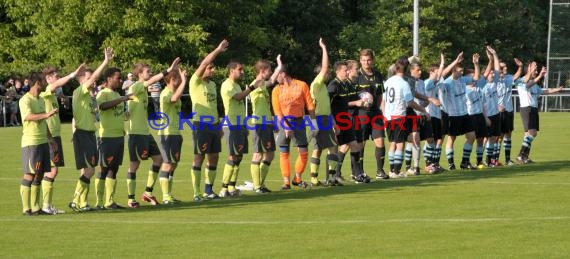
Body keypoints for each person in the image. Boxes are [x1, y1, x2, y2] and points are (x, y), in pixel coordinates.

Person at [128, 57, 180, 208]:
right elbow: (152, 81)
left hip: (145, 132)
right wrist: (169, 70)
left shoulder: (143, 90)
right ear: (139, 74)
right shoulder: (136, 86)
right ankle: (131, 199)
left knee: (159, 159)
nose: (150, 73)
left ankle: (148, 193)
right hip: (136, 133)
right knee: (134, 164)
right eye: (147, 71)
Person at [68, 47, 113, 212]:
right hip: (83, 134)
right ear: (81, 80)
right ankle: (75, 200)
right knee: (90, 169)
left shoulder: (89, 96)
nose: (92, 80)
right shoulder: (79, 91)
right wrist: (106, 62)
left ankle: (82, 203)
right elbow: (94, 76)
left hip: (89, 134)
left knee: (87, 170)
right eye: (88, 78)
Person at [39, 64, 85, 214]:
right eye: (56, 76)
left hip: (55, 135)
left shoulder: (52, 95)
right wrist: (72, 74)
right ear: (48, 79)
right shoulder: (46, 91)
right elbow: (56, 85)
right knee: (52, 171)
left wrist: (61, 97)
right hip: (50, 136)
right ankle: (46, 206)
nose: (58, 79)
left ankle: (46, 205)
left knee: (51, 170)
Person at [189, 40, 228, 202]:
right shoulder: (195, 81)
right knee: (199, 157)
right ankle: (196, 192)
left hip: (213, 125)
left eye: (213, 67)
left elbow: (213, 106)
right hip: (201, 124)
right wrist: (218, 49)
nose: (213, 69)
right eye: (210, 67)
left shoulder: (212, 84)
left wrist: (218, 124)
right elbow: (205, 61)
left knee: (214, 157)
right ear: (202, 68)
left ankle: (208, 190)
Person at [18, 72, 59, 215]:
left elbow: (44, 122)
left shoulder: (41, 100)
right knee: (29, 174)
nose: (44, 83)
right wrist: (47, 115)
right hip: (31, 142)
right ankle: (26, 208)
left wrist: (51, 139)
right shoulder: (25, 100)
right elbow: (28, 116)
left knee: (39, 174)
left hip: (42, 141)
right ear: (36, 83)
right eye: (42, 81)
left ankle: (36, 208)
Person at [382, 57, 429, 178]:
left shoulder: (387, 82)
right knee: (400, 144)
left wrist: (384, 115)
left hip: (388, 116)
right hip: (399, 115)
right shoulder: (404, 83)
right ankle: (396, 172)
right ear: (407, 69)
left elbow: (383, 100)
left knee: (392, 143)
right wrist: (423, 110)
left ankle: (392, 170)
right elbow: (410, 102)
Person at [272, 59, 315, 189]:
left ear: (283, 74)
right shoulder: (276, 90)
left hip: (299, 121)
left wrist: (314, 124)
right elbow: (277, 111)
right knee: (284, 152)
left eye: (277, 74)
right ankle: (286, 182)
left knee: (303, 151)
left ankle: (297, 178)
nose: (275, 77)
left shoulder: (302, 85)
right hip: (283, 122)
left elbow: (310, 105)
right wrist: (285, 127)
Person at [94, 67, 132, 209]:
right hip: (107, 138)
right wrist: (122, 99)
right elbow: (102, 107)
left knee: (114, 169)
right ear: (109, 79)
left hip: (118, 137)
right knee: (103, 169)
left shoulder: (117, 94)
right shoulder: (103, 93)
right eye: (118, 78)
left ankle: (110, 201)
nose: (120, 80)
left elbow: (121, 114)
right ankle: (99, 202)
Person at [308, 38, 341, 186]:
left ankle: (314, 178)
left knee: (318, 149)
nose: (328, 73)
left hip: (323, 118)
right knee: (333, 147)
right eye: (325, 72)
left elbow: (327, 107)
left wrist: (334, 122)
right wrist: (324, 48)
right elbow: (325, 66)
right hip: (321, 119)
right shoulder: (317, 83)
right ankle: (332, 177)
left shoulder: (321, 88)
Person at [438, 52, 480, 170]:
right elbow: (442, 74)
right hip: (453, 115)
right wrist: (455, 61)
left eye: (462, 71)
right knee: (451, 139)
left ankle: (464, 162)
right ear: (454, 71)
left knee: (472, 136)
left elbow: (476, 78)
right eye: (459, 71)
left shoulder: (463, 80)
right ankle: (451, 164)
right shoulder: (447, 83)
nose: (462, 73)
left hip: (464, 114)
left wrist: (476, 64)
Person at [516, 63, 564, 163]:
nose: (536, 71)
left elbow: (544, 91)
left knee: (529, 134)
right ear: (528, 69)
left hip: (533, 109)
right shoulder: (521, 81)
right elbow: (528, 85)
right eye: (535, 69)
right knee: (532, 133)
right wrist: (540, 75)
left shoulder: (535, 84)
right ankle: (521, 155)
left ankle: (525, 157)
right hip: (527, 109)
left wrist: (557, 89)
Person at [328, 60, 367, 183]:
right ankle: (331, 177)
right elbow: (326, 106)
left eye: (348, 70)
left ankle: (357, 175)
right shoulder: (333, 86)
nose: (347, 72)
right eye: (345, 70)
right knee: (333, 149)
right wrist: (333, 123)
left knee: (354, 145)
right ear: (338, 71)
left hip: (346, 120)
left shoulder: (345, 85)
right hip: (337, 121)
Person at [219, 60, 252, 197]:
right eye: (240, 69)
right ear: (232, 71)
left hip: (240, 125)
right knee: (233, 156)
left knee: (238, 156)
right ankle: (223, 188)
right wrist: (251, 88)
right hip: (232, 126)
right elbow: (238, 98)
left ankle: (232, 187)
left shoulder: (237, 85)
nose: (242, 72)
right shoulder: (227, 85)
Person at [248, 57, 280, 193]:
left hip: (266, 123)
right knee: (258, 154)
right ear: (262, 71)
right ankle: (257, 186)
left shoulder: (262, 85)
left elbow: (266, 106)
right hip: (259, 124)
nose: (270, 72)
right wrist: (279, 66)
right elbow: (272, 81)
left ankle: (260, 183)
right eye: (269, 70)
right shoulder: (256, 84)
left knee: (270, 154)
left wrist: (272, 121)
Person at [355, 49, 388, 180]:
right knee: (361, 143)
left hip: (376, 113)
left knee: (380, 141)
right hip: (362, 113)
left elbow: (380, 95)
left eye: (368, 60)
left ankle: (380, 171)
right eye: (363, 60)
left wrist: (382, 111)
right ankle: (360, 172)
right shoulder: (356, 75)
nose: (366, 62)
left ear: (372, 60)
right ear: (360, 61)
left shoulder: (378, 75)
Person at [157, 67, 187, 204]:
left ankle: (169, 194)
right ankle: (165, 196)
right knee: (167, 163)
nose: (180, 81)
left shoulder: (173, 92)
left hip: (175, 133)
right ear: (172, 80)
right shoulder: (165, 94)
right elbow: (174, 99)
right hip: (167, 133)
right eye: (178, 79)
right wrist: (185, 81)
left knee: (173, 164)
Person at [497, 57, 523, 166]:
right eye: (503, 67)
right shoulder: (494, 79)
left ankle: (508, 159)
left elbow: (517, 76)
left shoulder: (508, 78)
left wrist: (520, 66)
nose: (505, 68)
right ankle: (494, 160)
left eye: (506, 66)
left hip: (509, 110)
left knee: (508, 134)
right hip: (498, 111)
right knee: (498, 137)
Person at [423, 55, 445, 173]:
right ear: (431, 72)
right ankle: (428, 164)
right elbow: (438, 77)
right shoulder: (427, 83)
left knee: (437, 139)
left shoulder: (436, 84)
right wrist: (442, 64)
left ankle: (435, 163)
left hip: (437, 115)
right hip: (430, 114)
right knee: (430, 140)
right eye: (436, 72)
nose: (439, 74)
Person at [481, 46, 502, 167]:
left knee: (494, 138)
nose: (493, 74)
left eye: (493, 73)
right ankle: (482, 159)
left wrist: (494, 54)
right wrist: (485, 117)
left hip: (495, 114)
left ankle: (490, 160)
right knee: (485, 139)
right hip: (487, 116)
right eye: (491, 73)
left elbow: (498, 68)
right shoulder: (482, 86)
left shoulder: (494, 83)